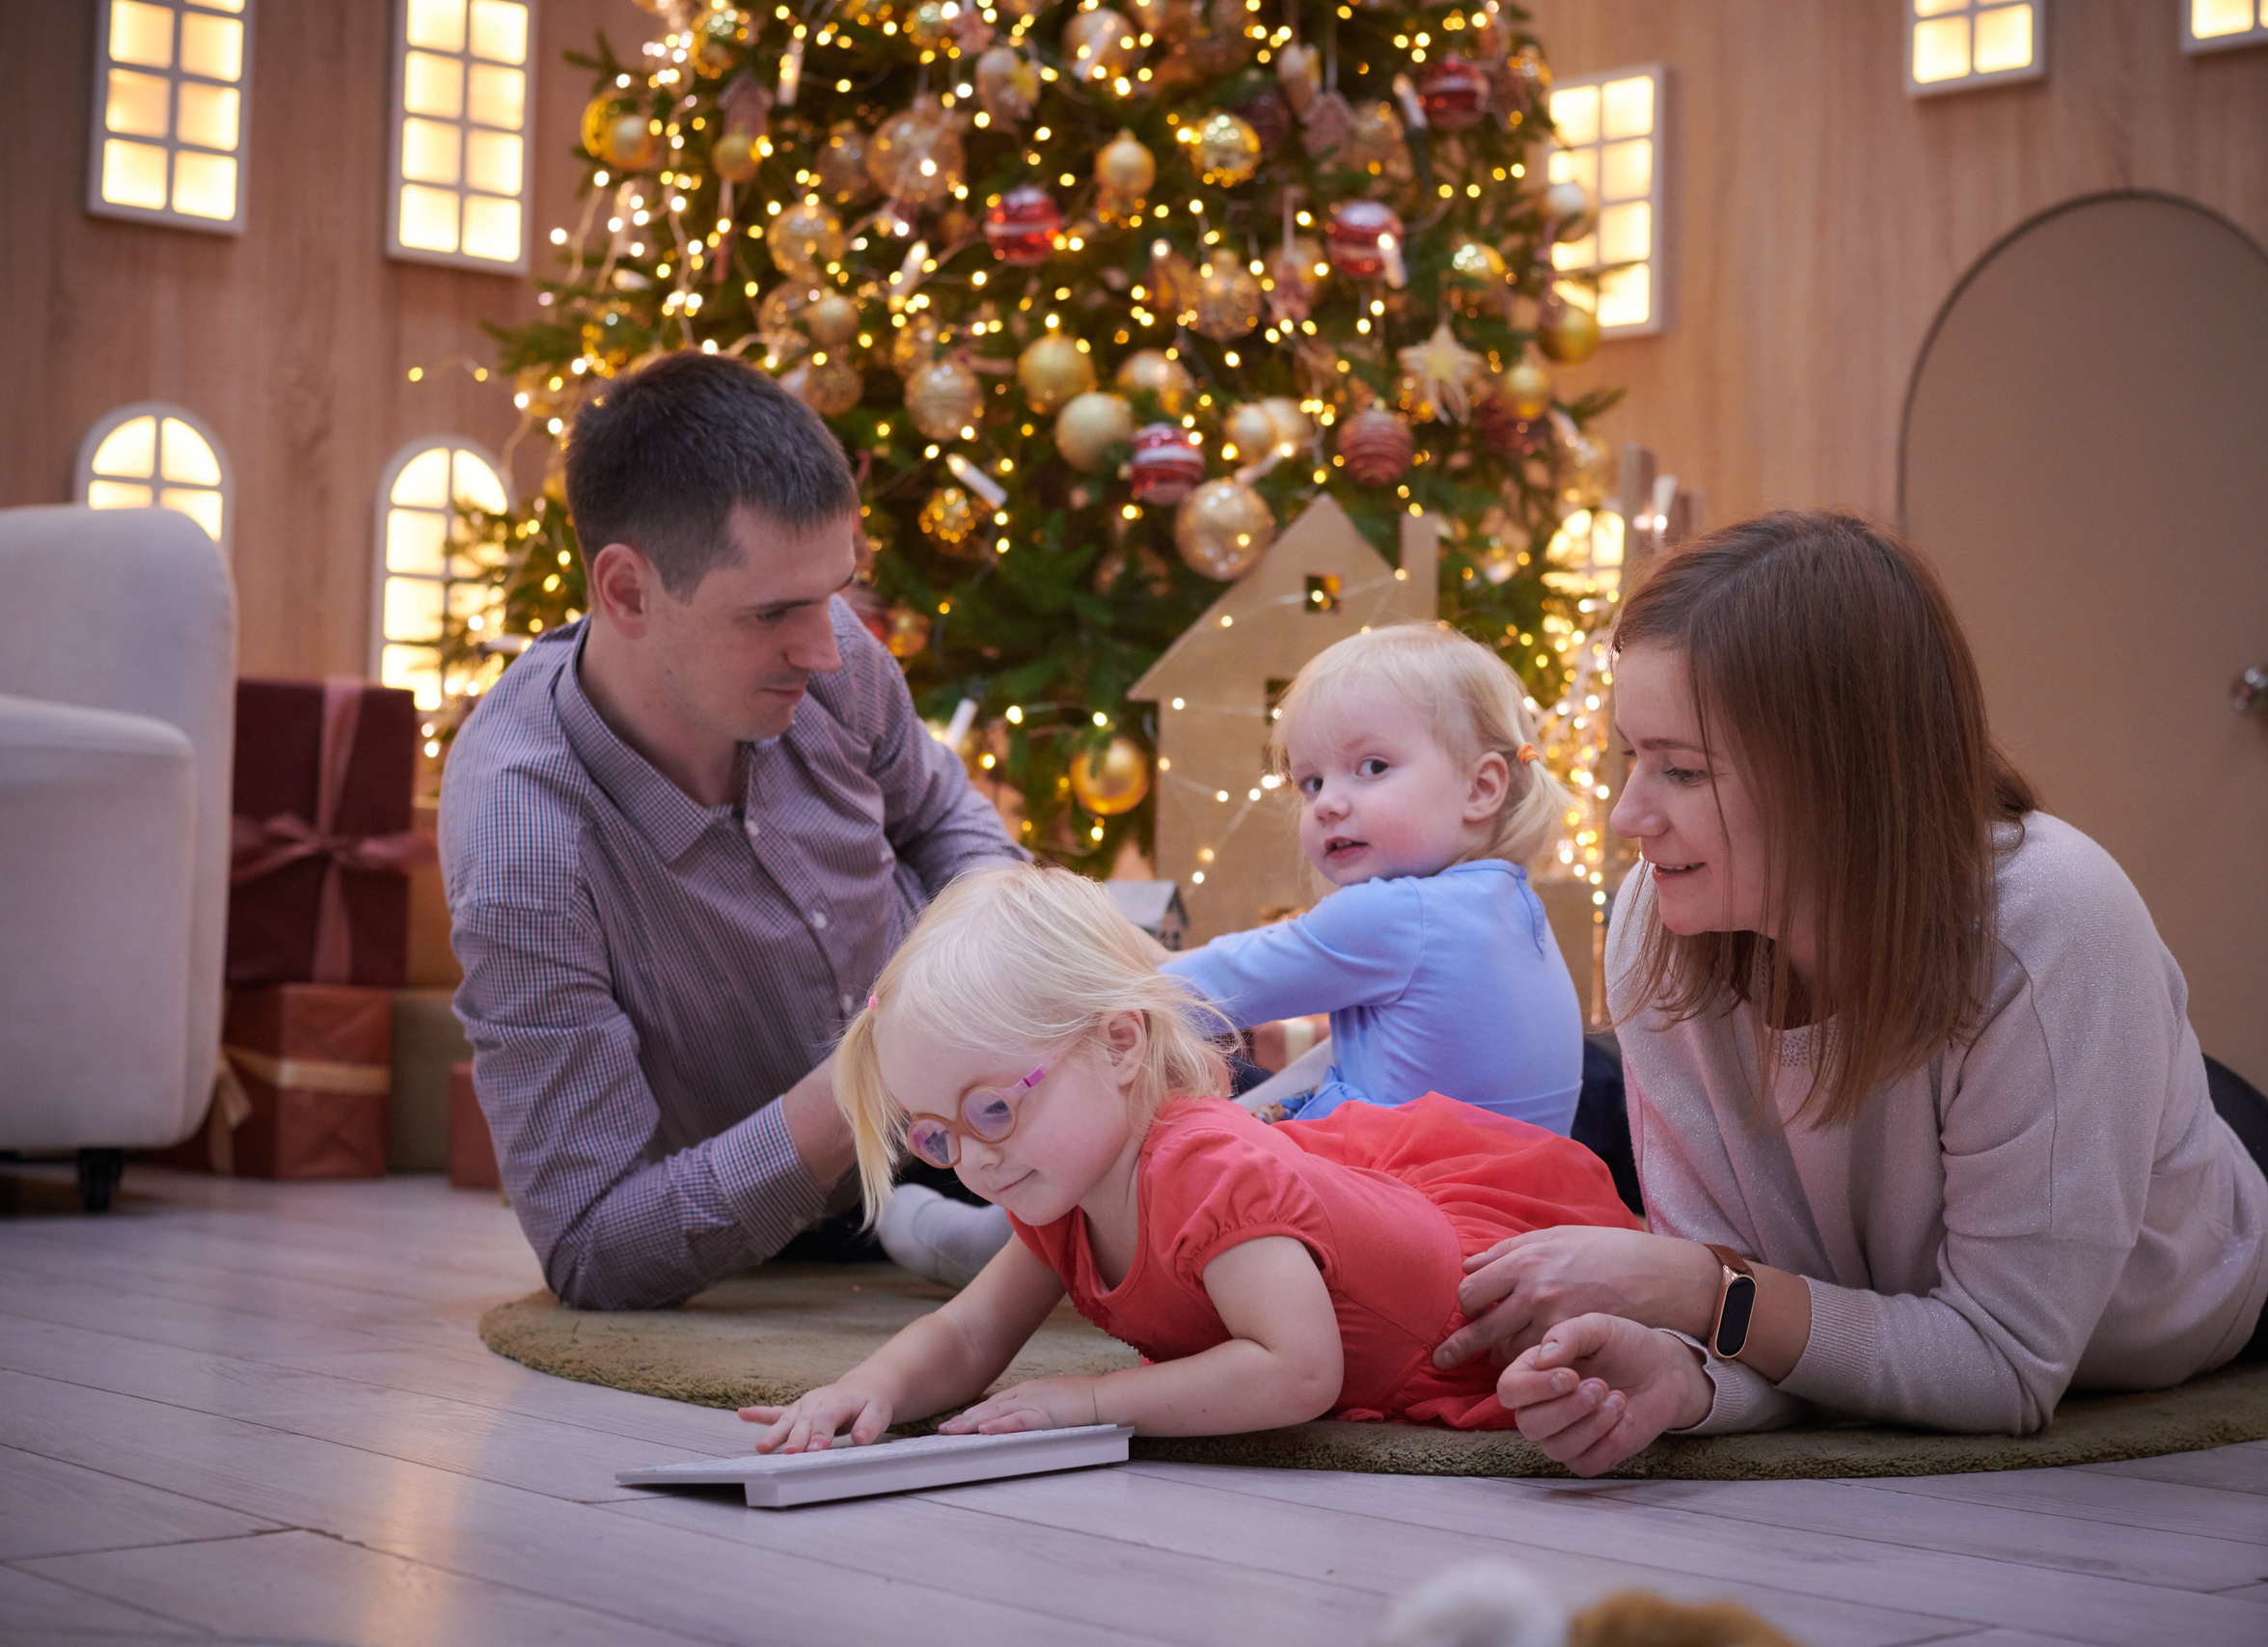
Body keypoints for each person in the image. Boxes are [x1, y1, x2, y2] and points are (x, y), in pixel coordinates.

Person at [1428, 510, 2268, 1477]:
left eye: (1683, 772)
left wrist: (1700, 1297)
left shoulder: (2053, 918)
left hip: (2206, 1242)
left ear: (1840, 773)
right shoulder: (1664, 919)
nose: (1626, 817)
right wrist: (1682, 1373)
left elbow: (2004, 1367)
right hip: (2040, 1100)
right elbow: (1771, 1314)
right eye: (1628, 759)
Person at [439, 352, 1025, 1311]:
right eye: (773, 613)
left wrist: (1001, 964)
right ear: (625, 591)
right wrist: (870, 1078)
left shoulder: (827, 656)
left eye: (833, 593)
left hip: (994, 1095)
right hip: (807, 1216)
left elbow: (946, 820)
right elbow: (592, 1245)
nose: (827, 649)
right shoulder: (526, 849)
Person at [737, 864, 1638, 1452]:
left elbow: (1297, 1367)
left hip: (1473, 1320)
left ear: (1119, 1045)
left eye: (995, 1109)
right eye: (937, 1136)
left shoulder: (1206, 1169)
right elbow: (969, 1335)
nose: (974, 1160)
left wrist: (1090, 1402)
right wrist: (863, 1389)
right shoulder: (1064, 1188)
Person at [872, 621, 1586, 1287]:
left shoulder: (1398, 915)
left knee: (1142, 1091)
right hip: (1505, 1218)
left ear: (1481, 786)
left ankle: (1017, 1246)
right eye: (1312, 782)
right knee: (1292, 1066)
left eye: (1371, 766)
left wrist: (1053, 999)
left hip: (1408, 1207)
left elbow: (1202, 986)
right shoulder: (1506, 905)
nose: (1330, 802)